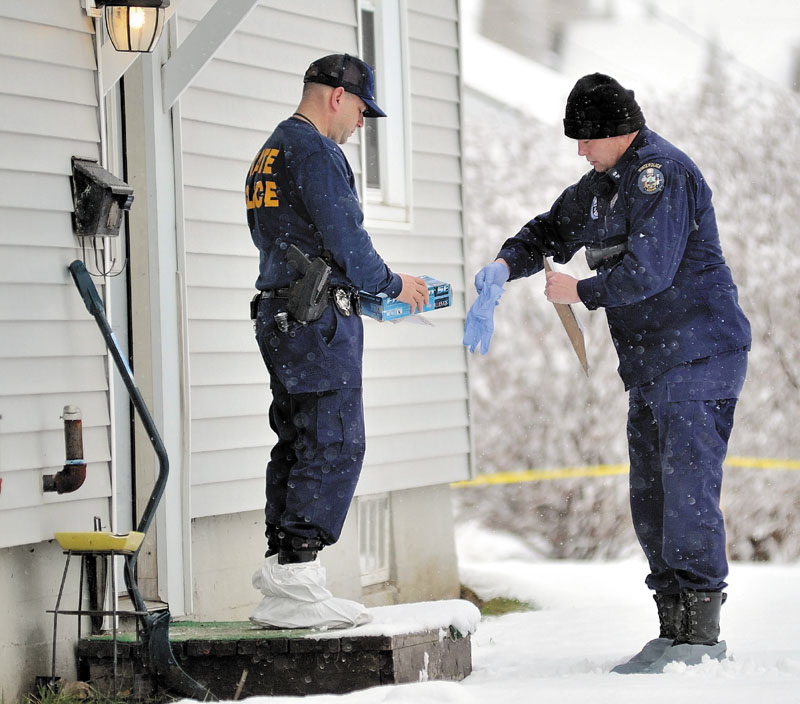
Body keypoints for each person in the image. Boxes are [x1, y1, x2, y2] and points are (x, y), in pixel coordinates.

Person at [464, 73, 751, 673]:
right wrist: (502, 265)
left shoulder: (660, 175)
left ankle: (699, 635)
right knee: (651, 496)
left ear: (619, 130)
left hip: (698, 353)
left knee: (687, 491)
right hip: (651, 363)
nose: (579, 151)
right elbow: (550, 229)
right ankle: (671, 630)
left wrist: (581, 289)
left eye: (586, 139)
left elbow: (651, 270)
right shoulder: (602, 189)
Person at [245, 53, 429, 629]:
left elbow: (292, 238)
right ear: (335, 96)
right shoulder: (317, 152)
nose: (360, 124)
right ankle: (298, 579)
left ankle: (284, 576)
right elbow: (346, 238)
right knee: (334, 440)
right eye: (360, 109)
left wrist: (358, 289)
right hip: (314, 321)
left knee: (297, 439)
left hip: (280, 313)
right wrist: (394, 284)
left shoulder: (270, 151)